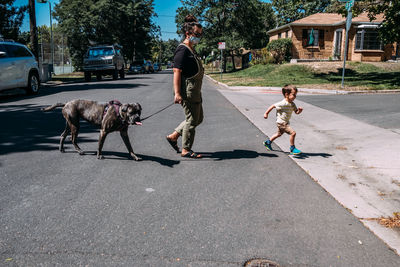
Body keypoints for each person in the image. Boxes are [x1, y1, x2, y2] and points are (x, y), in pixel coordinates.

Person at [166, 15, 204, 158]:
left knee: (198, 118)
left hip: (195, 91)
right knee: (192, 120)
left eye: (201, 34)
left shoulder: (191, 49)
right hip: (187, 91)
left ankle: (174, 136)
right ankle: (186, 149)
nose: (199, 37)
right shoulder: (182, 50)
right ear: (188, 34)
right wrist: (177, 93)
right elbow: (177, 71)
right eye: (197, 34)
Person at [263, 85, 303, 155]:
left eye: (296, 95)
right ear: (286, 94)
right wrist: (266, 113)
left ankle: (268, 142)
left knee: (278, 134)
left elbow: (296, 112)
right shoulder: (282, 103)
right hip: (282, 123)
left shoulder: (292, 104)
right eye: (294, 94)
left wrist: (299, 111)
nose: (295, 96)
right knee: (293, 133)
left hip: (285, 122)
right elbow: (273, 106)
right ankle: (292, 148)